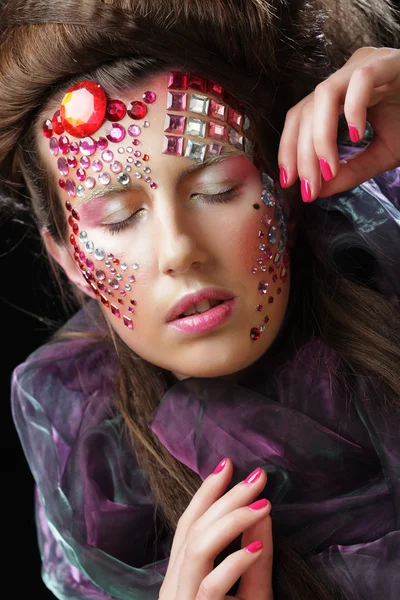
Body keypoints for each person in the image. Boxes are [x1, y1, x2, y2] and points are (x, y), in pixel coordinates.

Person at [2, 0, 400, 598]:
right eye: (117, 218)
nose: (178, 250)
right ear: (65, 256)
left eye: (216, 188)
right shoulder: (93, 484)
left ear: (284, 187)